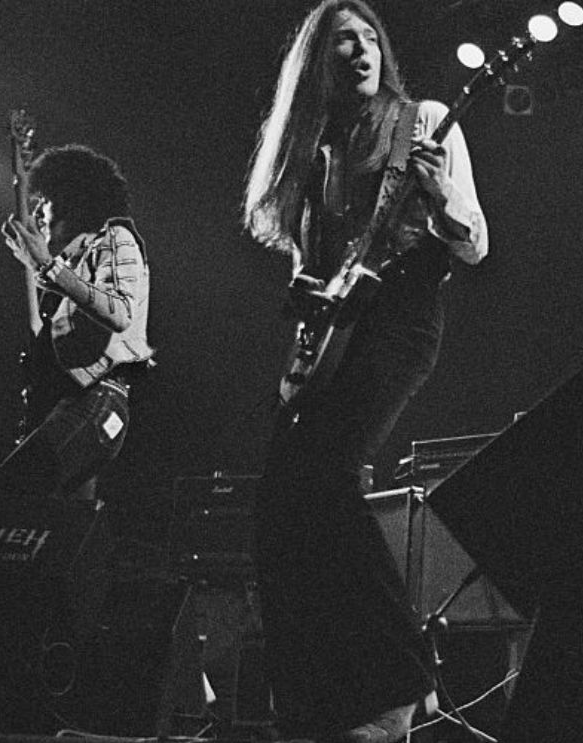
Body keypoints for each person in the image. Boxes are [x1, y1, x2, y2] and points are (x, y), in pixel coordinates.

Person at [242, 1, 487, 741]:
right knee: (276, 508)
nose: (359, 50)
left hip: (403, 315)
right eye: (341, 41)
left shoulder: (426, 120)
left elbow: (473, 241)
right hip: (334, 331)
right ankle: (309, 699)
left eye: (368, 38)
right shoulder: (315, 148)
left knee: (330, 476)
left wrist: (441, 196)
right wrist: (306, 285)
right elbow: (313, 255)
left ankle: (405, 684)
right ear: (316, 64)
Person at [0, 144, 153, 501]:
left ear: (73, 202)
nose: (40, 210)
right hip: (69, 404)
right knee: (60, 530)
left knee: (1, 500)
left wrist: (48, 267)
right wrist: (20, 176)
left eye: (48, 201)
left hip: (97, 402)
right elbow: (40, 330)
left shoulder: (115, 239)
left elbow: (120, 312)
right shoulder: (68, 271)